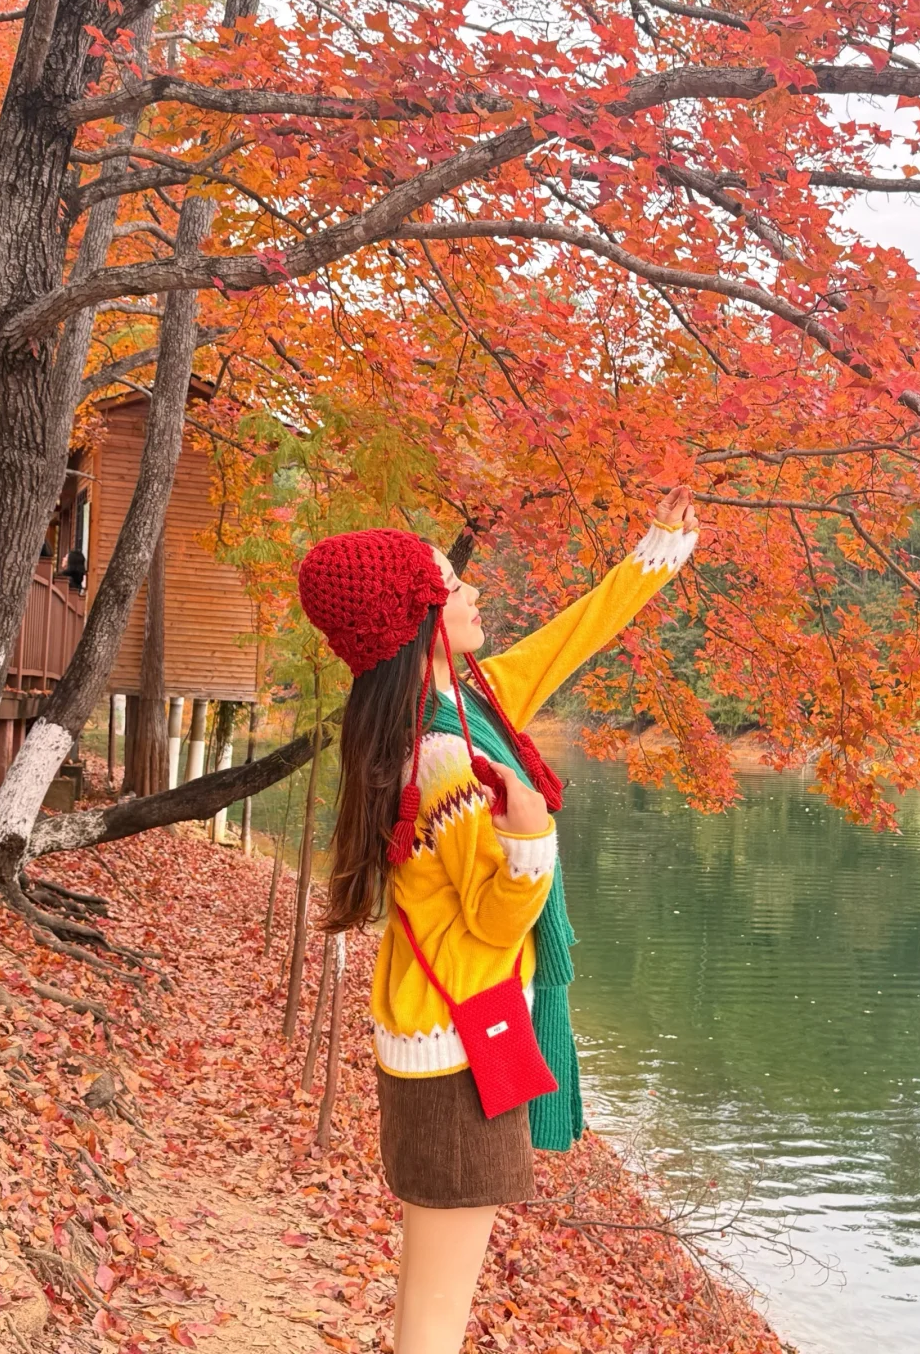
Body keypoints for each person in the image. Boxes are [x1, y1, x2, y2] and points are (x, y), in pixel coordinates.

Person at [297, 486, 699, 1354]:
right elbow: (486, 923)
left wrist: (655, 555)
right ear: (418, 619)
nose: (473, 592)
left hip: (438, 1042)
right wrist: (530, 838)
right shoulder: (443, 755)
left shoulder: (463, 703)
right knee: (437, 1317)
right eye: (451, 584)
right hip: (458, 1057)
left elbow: (568, 641)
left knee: (426, 1296)